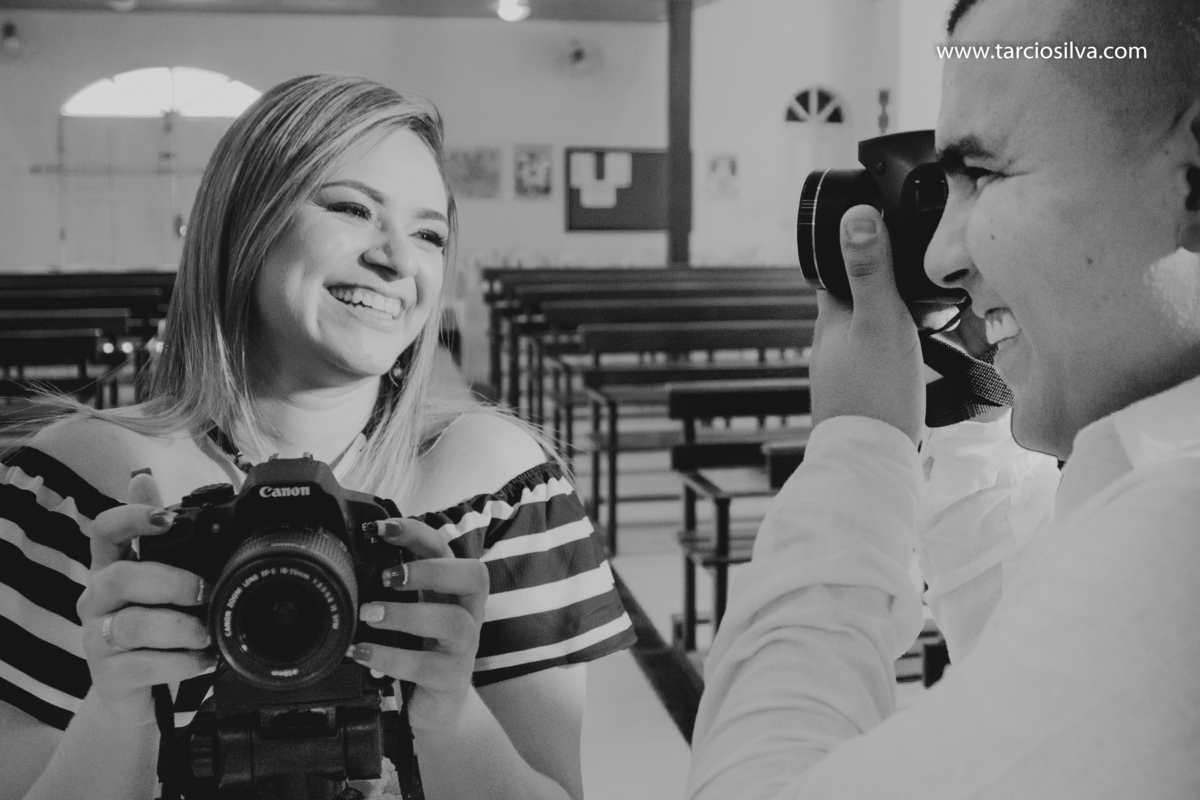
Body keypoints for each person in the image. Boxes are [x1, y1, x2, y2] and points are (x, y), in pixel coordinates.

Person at [0, 74, 634, 800]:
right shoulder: (78, 486)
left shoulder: (497, 485)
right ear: (246, 221)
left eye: (429, 233)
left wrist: (451, 718)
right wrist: (119, 715)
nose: (399, 259)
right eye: (352, 209)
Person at [686, 0, 1200, 796]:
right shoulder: (1138, 480)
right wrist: (969, 415)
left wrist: (857, 446)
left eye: (985, 173)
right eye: (939, 187)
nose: (937, 253)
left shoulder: (1174, 545)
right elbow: (1029, 685)